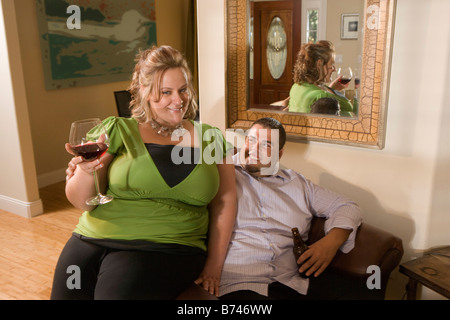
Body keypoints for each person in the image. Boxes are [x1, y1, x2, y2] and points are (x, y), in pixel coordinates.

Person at [52, 45, 236, 300]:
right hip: (91, 238)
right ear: (146, 93)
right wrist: (84, 171)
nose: (178, 100)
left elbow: (225, 201)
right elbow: (81, 202)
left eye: (183, 90)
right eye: (166, 92)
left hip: (164, 247)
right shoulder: (116, 130)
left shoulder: (210, 138)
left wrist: (214, 267)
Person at [219, 117, 362, 300]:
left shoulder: (298, 184)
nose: (255, 150)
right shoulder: (221, 172)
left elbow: (347, 206)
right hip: (238, 283)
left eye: (266, 145)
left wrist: (331, 242)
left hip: (289, 282)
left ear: (279, 154)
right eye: (252, 140)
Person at [287, 41, 355, 117]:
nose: (334, 69)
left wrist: (330, 88)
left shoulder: (296, 86)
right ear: (319, 64)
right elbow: (348, 106)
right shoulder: (321, 95)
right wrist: (333, 91)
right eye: (331, 64)